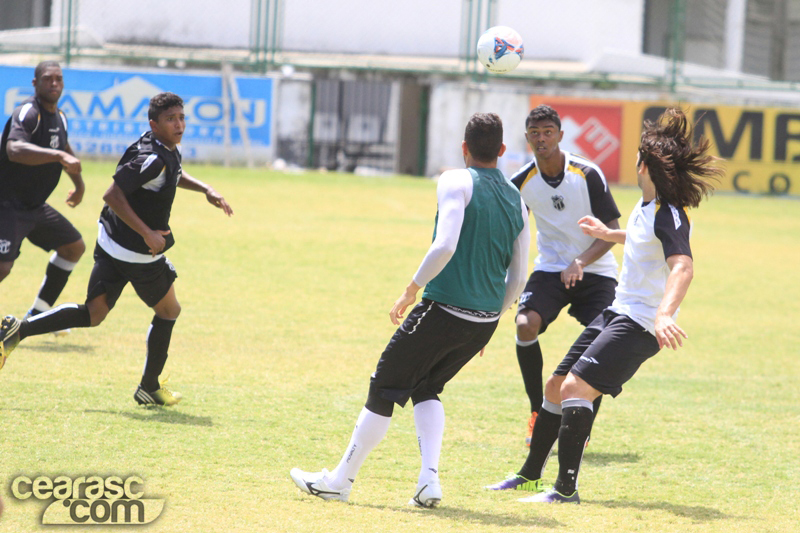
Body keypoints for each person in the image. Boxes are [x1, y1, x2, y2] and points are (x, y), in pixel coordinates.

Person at [289, 112, 530, 507]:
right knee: (426, 387)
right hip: (484, 320)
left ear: (464, 148)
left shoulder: (455, 179)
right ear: (503, 151)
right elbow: (518, 279)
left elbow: (445, 245)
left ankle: (340, 481)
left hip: (443, 310)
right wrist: (490, 318)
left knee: (383, 387)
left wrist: (411, 290)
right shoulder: (518, 201)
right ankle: (428, 482)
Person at [514, 107, 721, 504]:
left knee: (576, 387)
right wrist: (610, 233)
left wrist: (664, 314)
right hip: (618, 312)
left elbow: (683, 266)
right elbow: (645, 240)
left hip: (641, 324)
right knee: (557, 386)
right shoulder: (646, 208)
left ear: (645, 167)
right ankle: (528, 476)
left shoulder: (669, 214)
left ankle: (565, 490)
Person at [0, 92, 234, 406]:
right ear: (154, 123)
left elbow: (170, 173)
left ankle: (18, 329)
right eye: (171, 119)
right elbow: (112, 194)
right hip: (137, 254)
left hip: (112, 241)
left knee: (93, 314)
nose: (179, 124)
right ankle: (149, 387)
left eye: (181, 118)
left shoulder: (159, 146)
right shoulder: (151, 158)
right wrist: (148, 233)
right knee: (169, 311)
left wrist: (205, 188)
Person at [508, 105, 622, 454]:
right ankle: (536, 412)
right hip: (551, 269)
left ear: (559, 135)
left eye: (547, 131)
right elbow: (510, 235)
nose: (541, 138)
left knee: (602, 345)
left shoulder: (588, 173)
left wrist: (581, 261)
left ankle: (580, 425)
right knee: (525, 325)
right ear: (527, 138)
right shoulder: (521, 183)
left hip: (596, 269)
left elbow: (613, 232)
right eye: (534, 133)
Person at [0, 61, 86, 333]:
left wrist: (79, 184)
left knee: (74, 247)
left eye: (59, 79)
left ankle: (38, 315)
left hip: (35, 207)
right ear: (35, 83)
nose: (54, 84)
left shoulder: (60, 117)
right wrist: (58, 156)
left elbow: (64, 148)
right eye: (48, 79)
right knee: (2, 268)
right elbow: (15, 149)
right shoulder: (28, 112)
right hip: (7, 205)